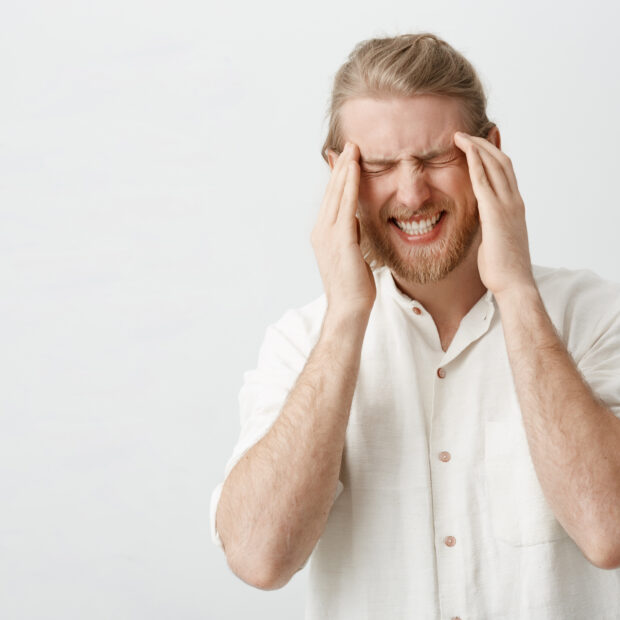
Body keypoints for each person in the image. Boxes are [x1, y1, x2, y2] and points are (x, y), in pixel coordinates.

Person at [210, 33, 620, 618]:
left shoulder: (599, 317)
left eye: (435, 158)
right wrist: (347, 316)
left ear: (492, 152)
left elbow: (610, 532)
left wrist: (517, 291)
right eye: (377, 166)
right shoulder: (300, 342)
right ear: (338, 175)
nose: (411, 192)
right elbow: (258, 558)